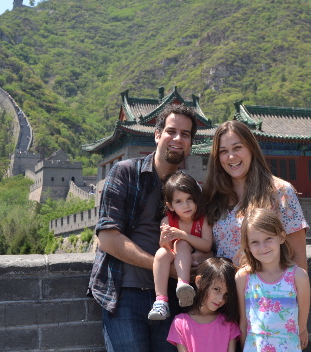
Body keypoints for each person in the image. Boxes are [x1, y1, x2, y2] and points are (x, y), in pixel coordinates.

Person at [88, 104, 201, 352]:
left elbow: (202, 236)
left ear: (191, 142)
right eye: (171, 131)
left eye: (185, 134)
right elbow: (107, 238)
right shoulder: (126, 173)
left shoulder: (191, 189)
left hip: (174, 299)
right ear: (157, 134)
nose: (178, 139)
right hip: (126, 294)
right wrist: (166, 269)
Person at [203, 120, 309, 270]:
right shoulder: (212, 195)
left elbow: (298, 256)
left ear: (251, 148)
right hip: (223, 290)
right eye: (223, 151)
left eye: (237, 148)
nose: (231, 156)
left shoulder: (280, 192)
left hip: (267, 290)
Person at [235, 208, 310, 351]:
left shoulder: (298, 276)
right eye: (255, 242)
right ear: (248, 246)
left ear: (281, 237)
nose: (263, 247)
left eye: (268, 238)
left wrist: (302, 333)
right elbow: (243, 323)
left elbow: (302, 324)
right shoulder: (243, 277)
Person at [148, 171, 213, 320]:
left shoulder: (203, 220)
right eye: (179, 201)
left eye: (190, 199)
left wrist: (183, 235)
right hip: (176, 257)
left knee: (182, 243)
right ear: (170, 206)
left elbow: (207, 246)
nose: (186, 205)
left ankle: (183, 285)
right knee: (161, 253)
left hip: (196, 256)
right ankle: (161, 301)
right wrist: (165, 239)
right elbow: (166, 247)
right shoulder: (167, 221)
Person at [167, 257, 240, 352]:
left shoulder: (229, 324)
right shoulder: (180, 323)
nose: (221, 299)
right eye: (217, 289)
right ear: (199, 282)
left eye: (226, 294)